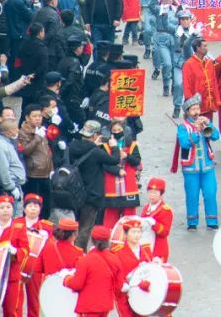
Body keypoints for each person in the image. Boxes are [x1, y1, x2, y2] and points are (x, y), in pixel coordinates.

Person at [67, 119, 121, 250]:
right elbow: (114, 160)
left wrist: (94, 146)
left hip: (74, 192)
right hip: (92, 194)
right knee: (85, 228)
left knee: (75, 225)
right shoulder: (95, 152)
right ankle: (79, 253)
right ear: (95, 135)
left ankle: (71, 249)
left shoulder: (73, 146)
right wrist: (114, 147)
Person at [172, 96, 219, 231]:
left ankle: (212, 220)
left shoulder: (205, 122)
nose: (196, 112)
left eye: (198, 108)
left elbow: (216, 136)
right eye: (193, 109)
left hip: (207, 166)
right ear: (187, 112)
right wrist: (196, 132)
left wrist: (208, 125)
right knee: (192, 195)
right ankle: (192, 221)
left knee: (210, 193)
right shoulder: (183, 127)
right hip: (191, 167)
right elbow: (184, 143)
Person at [62, 226, 119, 317]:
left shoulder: (85, 260)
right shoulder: (115, 259)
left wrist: (66, 279)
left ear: (92, 240)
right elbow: (118, 286)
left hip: (88, 307)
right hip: (106, 306)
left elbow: (77, 284)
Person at [111, 218, 153, 317]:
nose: (137, 235)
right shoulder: (117, 252)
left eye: (138, 232)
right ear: (125, 235)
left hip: (144, 294)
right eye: (133, 232)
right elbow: (115, 275)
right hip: (125, 296)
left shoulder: (146, 250)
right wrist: (123, 284)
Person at [139, 177, 172, 262]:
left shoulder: (165, 210)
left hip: (159, 248)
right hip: (146, 246)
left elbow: (165, 232)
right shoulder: (146, 208)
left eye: (155, 193)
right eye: (150, 192)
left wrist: (155, 224)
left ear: (161, 194)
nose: (152, 195)